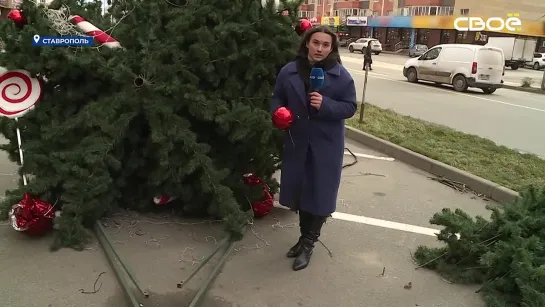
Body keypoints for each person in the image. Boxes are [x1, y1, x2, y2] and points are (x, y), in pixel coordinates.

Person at [270, 26, 357, 271]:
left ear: (332, 48)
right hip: (297, 140)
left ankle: (308, 243)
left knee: (319, 193)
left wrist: (326, 104)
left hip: (325, 144)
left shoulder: (341, 76)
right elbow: (277, 97)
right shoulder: (289, 71)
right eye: (315, 42)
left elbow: (350, 107)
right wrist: (278, 112)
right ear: (307, 43)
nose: (319, 49)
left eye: (325, 45)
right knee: (300, 192)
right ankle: (303, 237)